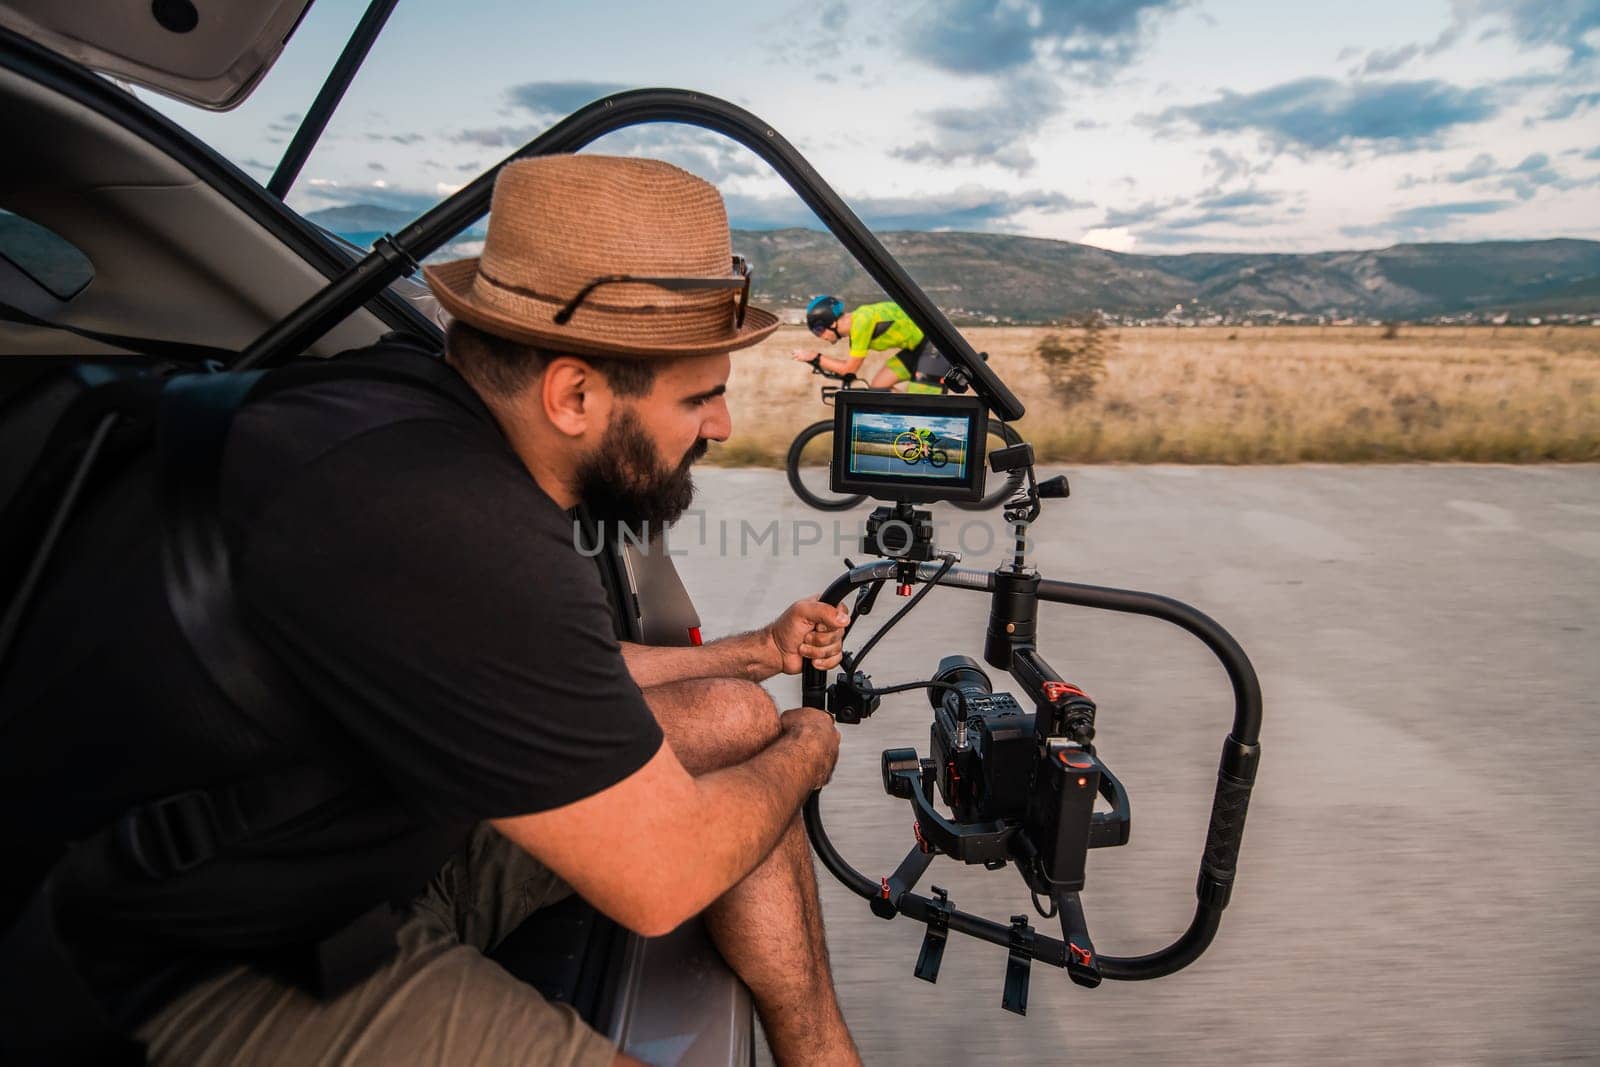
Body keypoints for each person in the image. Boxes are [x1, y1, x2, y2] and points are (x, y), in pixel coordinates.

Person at [0, 156, 861, 1066]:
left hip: (353, 837)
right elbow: (665, 877)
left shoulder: (415, 399)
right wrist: (810, 750)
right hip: (180, 956)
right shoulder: (451, 524)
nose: (722, 428)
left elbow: (542, 668)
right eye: (700, 396)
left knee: (738, 716)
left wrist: (752, 653)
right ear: (572, 395)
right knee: (770, 753)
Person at [792, 295, 948, 392]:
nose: (819, 336)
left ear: (831, 323)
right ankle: (904, 419)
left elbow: (848, 369)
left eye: (818, 329)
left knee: (921, 407)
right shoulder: (856, 329)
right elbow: (849, 373)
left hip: (935, 347)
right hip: (916, 350)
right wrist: (817, 360)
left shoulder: (861, 324)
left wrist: (815, 356)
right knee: (877, 389)